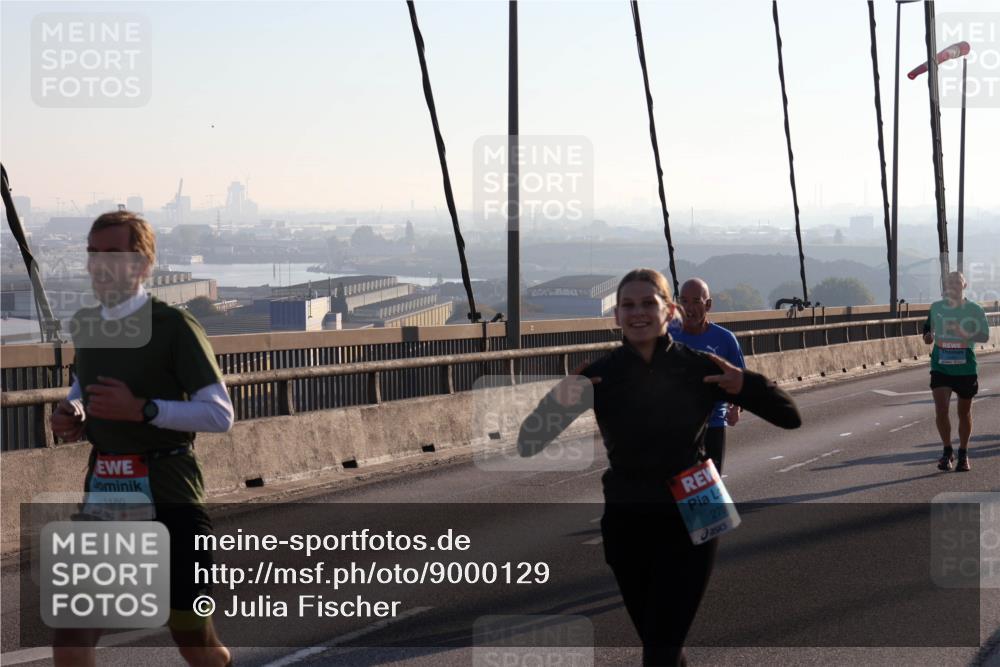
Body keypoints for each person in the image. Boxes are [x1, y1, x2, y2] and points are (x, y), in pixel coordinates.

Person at [518, 268, 801, 666]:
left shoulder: (700, 366)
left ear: (670, 311)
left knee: (660, 649)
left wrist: (748, 385)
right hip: (627, 522)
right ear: (616, 315)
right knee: (661, 642)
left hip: (695, 513)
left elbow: (790, 417)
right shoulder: (601, 375)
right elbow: (529, 442)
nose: (638, 313)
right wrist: (559, 399)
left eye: (649, 303)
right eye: (628, 305)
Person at [49, 211, 234, 667]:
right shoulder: (87, 324)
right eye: (93, 253)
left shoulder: (174, 326)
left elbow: (220, 414)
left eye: (114, 253)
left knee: (194, 642)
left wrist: (144, 410)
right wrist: (73, 411)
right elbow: (84, 387)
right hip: (107, 496)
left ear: (144, 264)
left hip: (170, 495)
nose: (100, 264)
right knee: (71, 636)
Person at [670, 278, 746, 473]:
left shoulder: (725, 339)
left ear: (708, 304)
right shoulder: (667, 337)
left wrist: (736, 407)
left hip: (713, 425)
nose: (689, 307)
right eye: (684, 301)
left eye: (696, 301)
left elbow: (740, 379)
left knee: (710, 489)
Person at [922, 271, 990, 473]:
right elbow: (927, 328)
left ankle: (963, 453)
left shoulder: (974, 309)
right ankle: (946, 451)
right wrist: (928, 336)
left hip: (965, 368)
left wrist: (965, 333)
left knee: (964, 412)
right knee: (941, 410)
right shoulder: (936, 308)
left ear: (965, 285)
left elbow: (985, 336)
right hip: (941, 367)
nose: (953, 285)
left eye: (957, 282)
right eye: (950, 282)